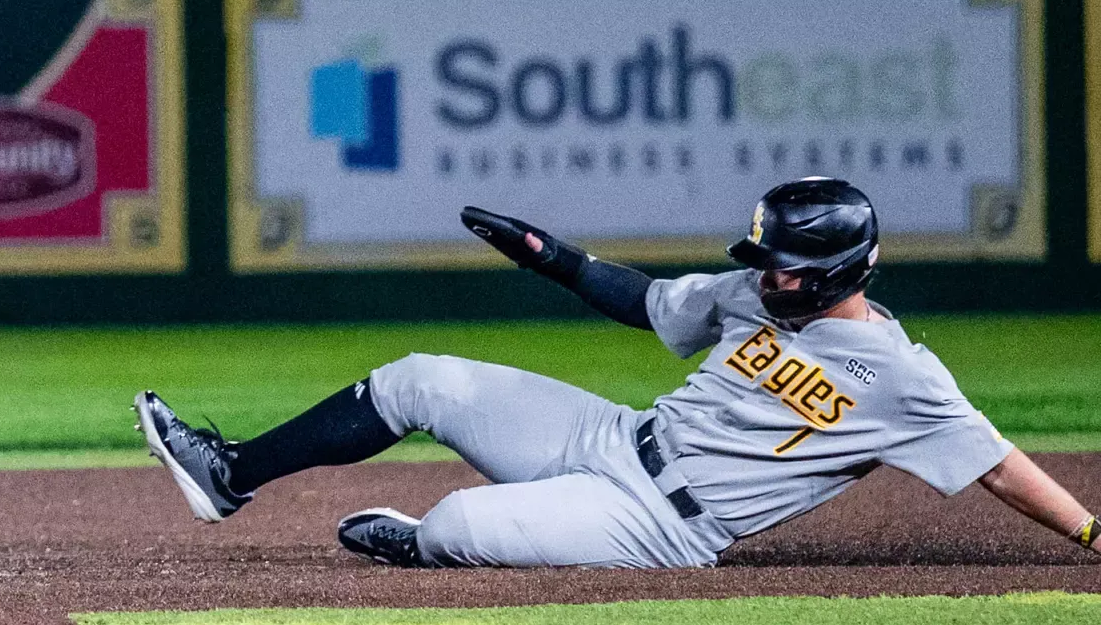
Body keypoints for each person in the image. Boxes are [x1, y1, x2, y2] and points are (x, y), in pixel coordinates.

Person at [136, 178, 1101, 568]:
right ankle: (230, 474)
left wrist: (1091, 530)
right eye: (766, 259)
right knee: (420, 376)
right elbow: (643, 302)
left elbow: (999, 463)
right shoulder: (752, 294)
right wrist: (547, 253)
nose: (769, 274)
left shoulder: (903, 377)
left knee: (462, 521)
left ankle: (431, 543)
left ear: (843, 270)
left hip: (663, 525)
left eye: (788, 264)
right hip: (612, 438)